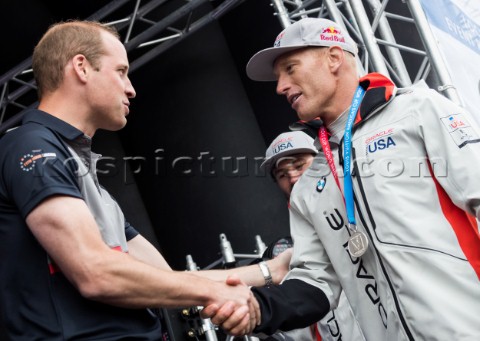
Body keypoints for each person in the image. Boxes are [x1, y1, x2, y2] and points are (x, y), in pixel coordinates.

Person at [206, 17, 480, 340]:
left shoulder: (416, 112)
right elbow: (314, 283)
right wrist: (258, 307)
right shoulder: (309, 187)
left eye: (290, 69)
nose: (280, 87)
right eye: (278, 77)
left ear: (334, 58)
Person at [0, 20, 269, 340]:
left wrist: (270, 271)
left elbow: (165, 278)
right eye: (121, 71)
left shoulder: (85, 178)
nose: (131, 88)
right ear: (82, 68)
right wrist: (215, 294)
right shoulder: (30, 145)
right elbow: (95, 272)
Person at [260, 130, 365, 341]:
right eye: (282, 175)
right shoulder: (297, 237)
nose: (292, 177)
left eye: (299, 165)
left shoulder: (357, 199)